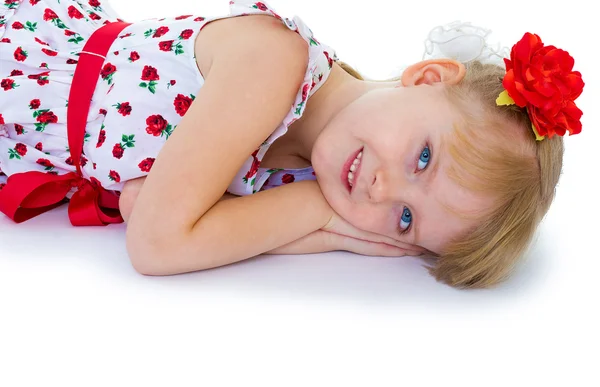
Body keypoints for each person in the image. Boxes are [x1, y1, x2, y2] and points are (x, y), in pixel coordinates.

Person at [0, 0, 585, 288]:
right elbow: (155, 243)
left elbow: (136, 201)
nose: (380, 193)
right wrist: (325, 221)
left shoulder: (306, 168)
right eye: (423, 158)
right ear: (428, 78)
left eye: (405, 219)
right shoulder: (273, 63)